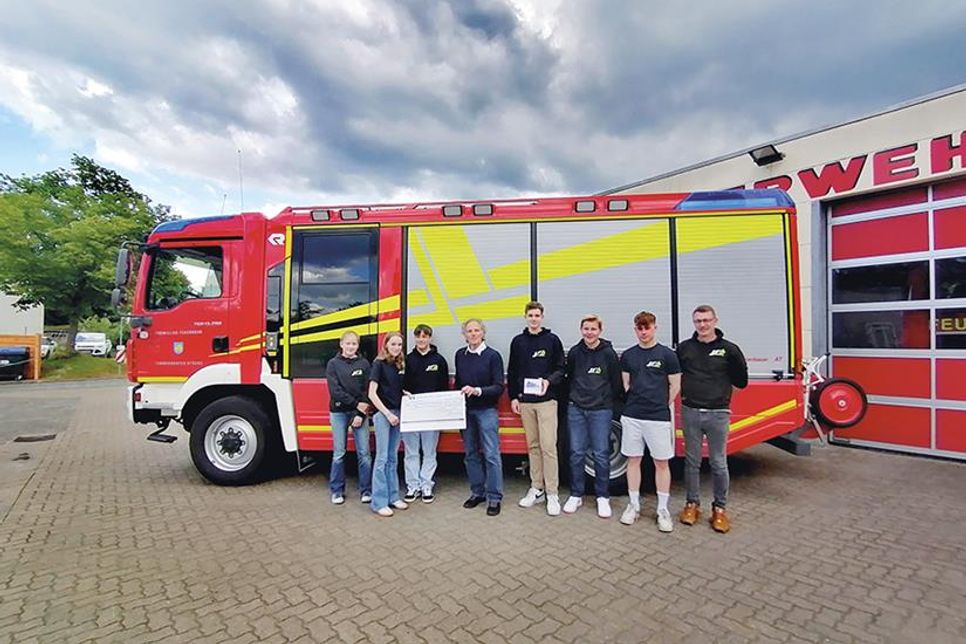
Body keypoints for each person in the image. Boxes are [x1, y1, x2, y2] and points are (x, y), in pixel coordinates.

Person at [676, 305, 748, 533]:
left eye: (707, 320)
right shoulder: (684, 348)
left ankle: (719, 509)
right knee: (692, 462)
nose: (703, 325)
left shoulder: (729, 350)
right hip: (690, 411)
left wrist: (719, 394)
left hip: (718, 414)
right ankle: (692, 505)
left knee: (718, 462)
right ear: (694, 323)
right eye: (698, 321)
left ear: (715, 321)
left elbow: (741, 381)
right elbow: (674, 375)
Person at [619, 311, 681, 533]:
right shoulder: (628, 355)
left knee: (661, 463)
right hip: (632, 416)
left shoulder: (667, 355)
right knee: (633, 460)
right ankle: (633, 505)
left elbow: (675, 385)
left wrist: (660, 404)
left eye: (647, 327)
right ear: (635, 329)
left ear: (655, 327)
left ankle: (662, 510)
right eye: (640, 328)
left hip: (658, 418)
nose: (644, 332)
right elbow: (626, 384)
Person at [508, 302, 566, 516]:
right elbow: (513, 371)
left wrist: (548, 381)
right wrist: (514, 397)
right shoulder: (518, 342)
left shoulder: (552, 340)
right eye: (530, 315)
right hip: (525, 402)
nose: (533, 319)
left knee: (548, 447)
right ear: (525, 317)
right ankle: (536, 488)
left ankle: (552, 493)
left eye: (537, 315)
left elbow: (561, 369)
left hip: (547, 402)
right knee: (532, 446)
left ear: (542, 317)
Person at [563, 314, 623, 519]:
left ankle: (602, 497)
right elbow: (569, 378)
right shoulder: (574, 353)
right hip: (576, 409)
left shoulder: (608, 354)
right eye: (586, 329)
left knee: (601, 454)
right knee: (576, 453)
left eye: (593, 329)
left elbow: (616, 383)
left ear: (600, 331)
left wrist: (604, 400)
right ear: (581, 330)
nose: (589, 333)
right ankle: (576, 495)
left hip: (601, 410)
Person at [454, 318, 505, 517]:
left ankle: (494, 497)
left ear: (483, 333)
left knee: (491, 454)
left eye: (476, 330)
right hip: (465, 412)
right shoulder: (460, 355)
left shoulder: (493, 356)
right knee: (470, 454)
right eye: (469, 331)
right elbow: (458, 383)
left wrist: (477, 391)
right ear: (464, 335)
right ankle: (477, 493)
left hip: (486, 411)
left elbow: (499, 387)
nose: (473, 334)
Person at [402, 324, 449, 504]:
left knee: (429, 452)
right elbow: (401, 384)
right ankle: (413, 486)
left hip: (432, 414)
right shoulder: (406, 360)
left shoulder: (439, 360)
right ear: (414, 338)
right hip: (411, 413)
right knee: (411, 452)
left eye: (425, 336)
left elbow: (444, 388)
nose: (421, 340)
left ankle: (426, 485)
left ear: (430, 338)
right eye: (418, 336)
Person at [324, 331, 372, 505]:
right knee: (339, 453)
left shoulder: (364, 364)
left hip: (359, 414)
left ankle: (366, 491)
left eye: (354, 344)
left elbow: (368, 390)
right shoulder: (333, 364)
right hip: (338, 413)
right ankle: (337, 491)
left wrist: (360, 414)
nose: (351, 347)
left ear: (358, 346)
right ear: (341, 344)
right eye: (348, 343)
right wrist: (356, 404)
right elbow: (335, 391)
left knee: (364, 454)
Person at [368, 332, 409, 517]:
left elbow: (393, 388)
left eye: (399, 344)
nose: (397, 347)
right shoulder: (378, 364)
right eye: (393, 344)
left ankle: (393, 497)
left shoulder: (399, 364)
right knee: (382, 459)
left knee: (393, 458)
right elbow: (372, 394)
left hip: (397, 414)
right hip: (384, 415)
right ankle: (379, 502)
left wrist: (404, 394)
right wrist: (387, 414)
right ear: (386, 345)